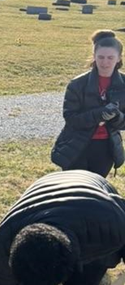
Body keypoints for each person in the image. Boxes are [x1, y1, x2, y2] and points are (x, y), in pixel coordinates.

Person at [51, 30, 125, 177]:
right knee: (74, 187)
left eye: (110, 58)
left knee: (95, 187)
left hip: (106, 148)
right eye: (101, 57)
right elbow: (71, 119)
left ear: (119, 58)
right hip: (76, 146)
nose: (105, 62)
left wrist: (117, 117)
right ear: (94, 56)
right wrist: (99, 114)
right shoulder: (77, 84)